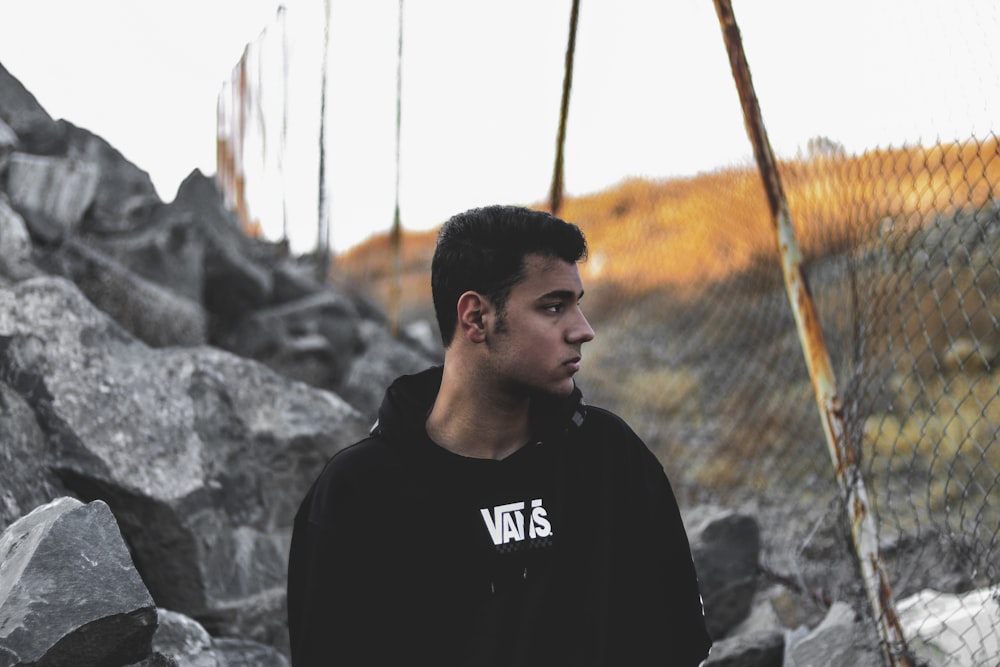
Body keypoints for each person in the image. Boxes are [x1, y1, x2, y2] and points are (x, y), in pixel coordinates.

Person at [287, 205, 711, 666]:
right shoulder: (358, 493)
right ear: (475, 318)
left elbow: (677, 645)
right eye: (553, 307)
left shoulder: (611, 460)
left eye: (578, 303)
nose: (583, 330)